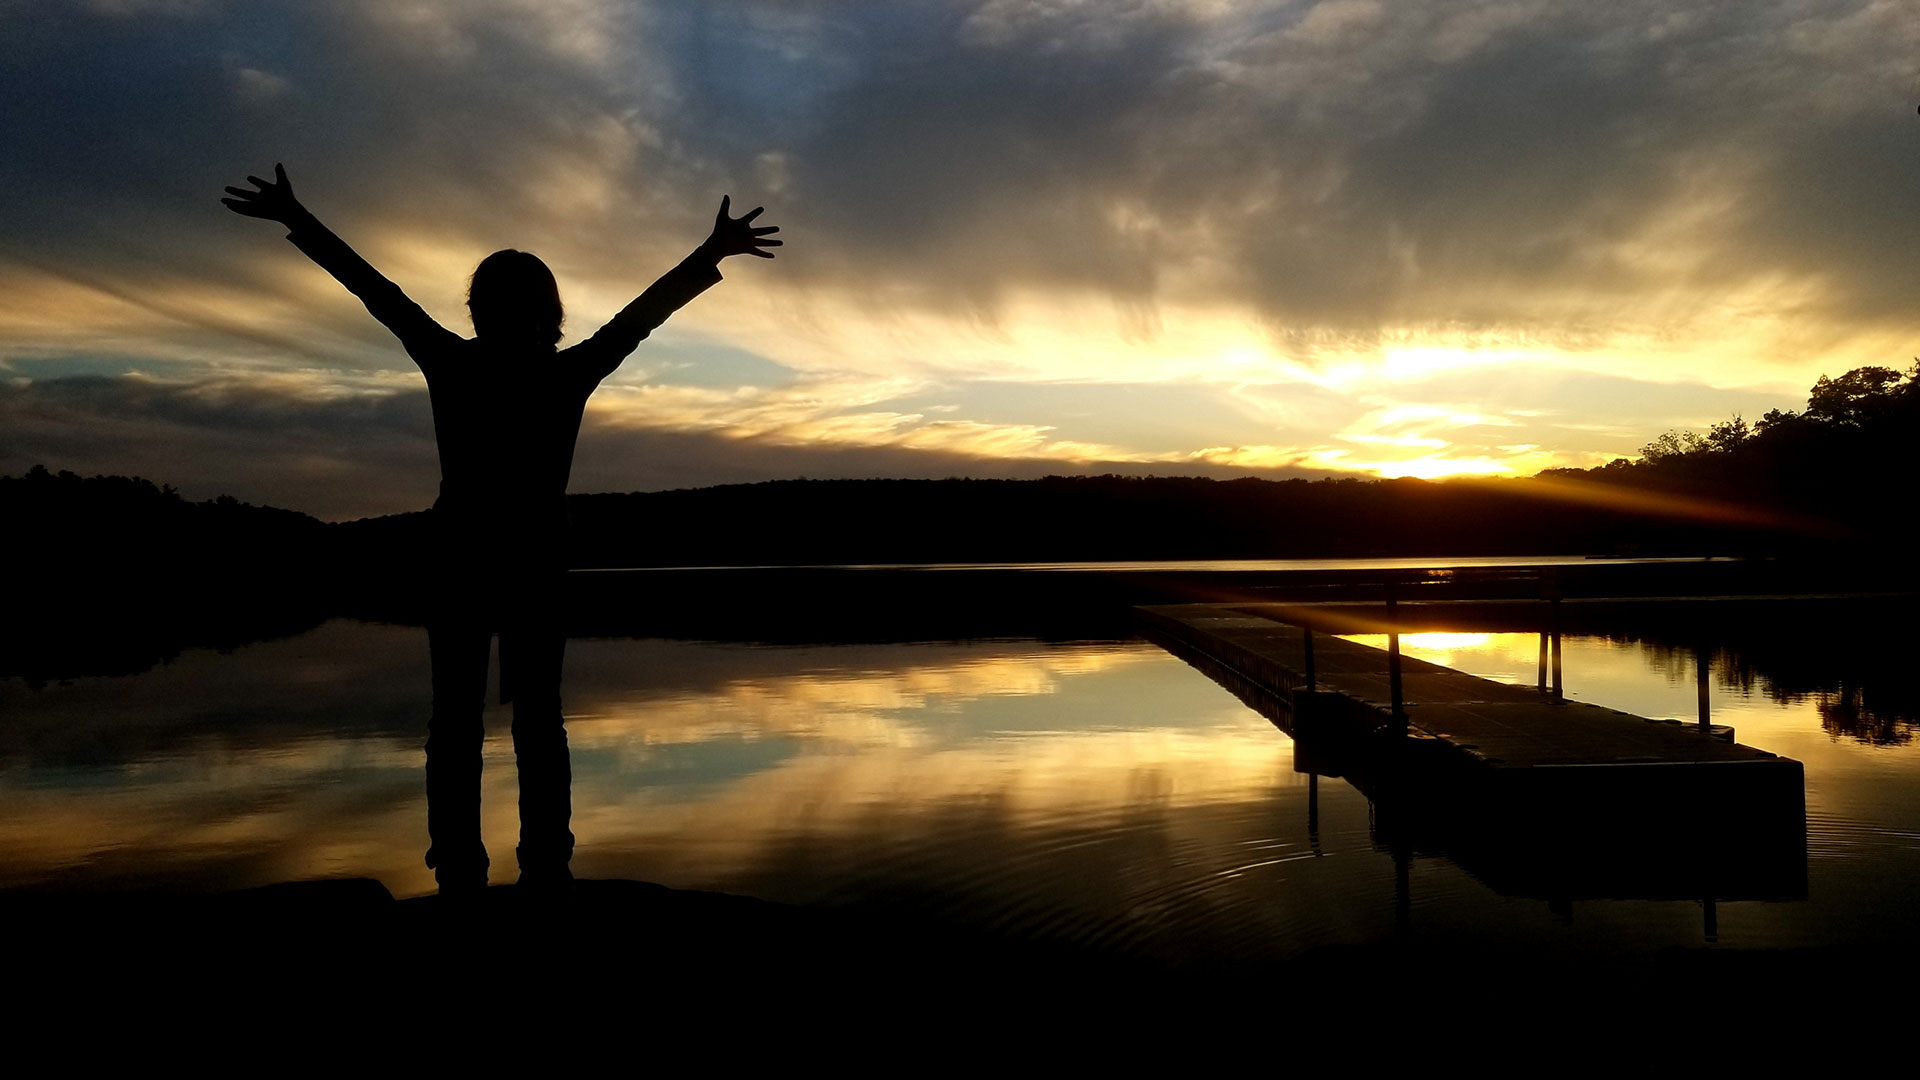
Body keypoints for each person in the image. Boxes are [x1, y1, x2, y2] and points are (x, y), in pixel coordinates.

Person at [223, 164, 780, 893]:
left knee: (457, 721)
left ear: (480, 309)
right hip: (529, 557)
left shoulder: (457, 361)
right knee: (535, 720)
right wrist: (709, 254)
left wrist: (300, 220)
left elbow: (378, 294)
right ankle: (544, 865)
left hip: (463, 553)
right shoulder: (564, 370)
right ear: (547, 310)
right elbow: (641, 317)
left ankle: (462, 864)